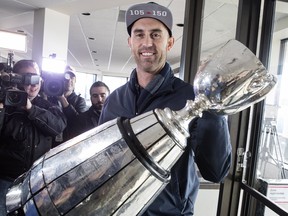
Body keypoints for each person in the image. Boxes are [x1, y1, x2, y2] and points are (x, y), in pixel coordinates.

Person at [99, 2, 232, 215]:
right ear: (130, 42)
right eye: (139, 35)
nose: (147, 43)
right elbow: (104, 159)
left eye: (156, 35)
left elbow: (215, 172)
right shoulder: (114, 100)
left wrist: (215, 110)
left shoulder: (192, 98)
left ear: (169, 43)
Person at [0, 59, 67, 215]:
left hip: (36, 182)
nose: (32, 84)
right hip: (5, 178)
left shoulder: (47, 105)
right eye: (25, 78)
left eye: (35, 78)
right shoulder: (4, 104)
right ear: (14, 78)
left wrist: (30, 108)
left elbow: (57, 127)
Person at [48, 66, 88, 143]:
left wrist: (63, 100)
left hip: (69, 142)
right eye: (66, 77)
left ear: (75, 81)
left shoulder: (80, 101)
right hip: (50, 141)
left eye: (72, 77)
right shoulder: (51, 98)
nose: (69, 80)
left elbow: (79, 123)